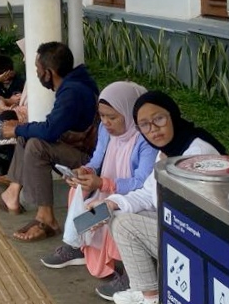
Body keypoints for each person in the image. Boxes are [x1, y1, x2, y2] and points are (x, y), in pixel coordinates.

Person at [40, 81, 158, 301]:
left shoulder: (145, 140)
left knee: (118, 214)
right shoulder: (105, 130)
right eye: (102, 116)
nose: (106, 122)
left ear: (130, 112)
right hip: (108, 185)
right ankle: (77, 245)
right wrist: (85, 171)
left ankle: (127, 271)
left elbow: (142, 183)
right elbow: (97, 158)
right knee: (79, 191)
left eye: (112, 117)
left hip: (130, 195)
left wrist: (104, 185)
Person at [105, 91, 226, 304]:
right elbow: (149, 193)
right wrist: (112, 202)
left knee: (125, 224)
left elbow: (197, 212)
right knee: (115, 213)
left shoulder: (197, 153)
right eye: (144, 125)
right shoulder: (168, 150)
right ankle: (145, 290)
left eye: (159, 119)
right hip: (180, 224)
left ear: (173, 115)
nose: (153, 129)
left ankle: (151, 297)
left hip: (202, 238)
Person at [0, 41, 99, 243]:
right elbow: (53, 126)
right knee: (27, 135)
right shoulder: (74, 83)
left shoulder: (72, 92)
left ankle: (47, 219)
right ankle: (12, 195)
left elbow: (51, 130)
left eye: (37, 69)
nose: (36, 74)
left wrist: (17, 128)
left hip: (89, 159)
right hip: (76, 147)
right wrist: (21, 129)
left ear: (49, 72)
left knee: (36, 145)